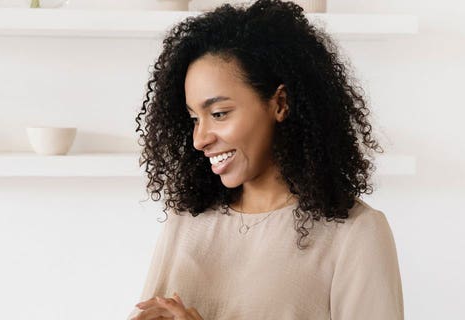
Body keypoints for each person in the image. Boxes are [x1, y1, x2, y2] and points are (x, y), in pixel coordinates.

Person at [129, 0, 404, 319]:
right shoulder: (186, 222)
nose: (200, 139)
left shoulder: (354, 233)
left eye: (219, 114)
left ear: (280, 104)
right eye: (194, 119)